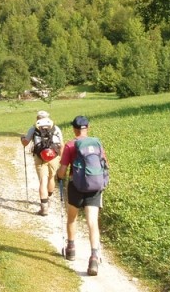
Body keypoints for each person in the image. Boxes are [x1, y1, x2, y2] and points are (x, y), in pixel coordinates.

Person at [57, 115, 107, 276]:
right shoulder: (97, 143)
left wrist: (58, 176)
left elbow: (63, 171)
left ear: (74, 128)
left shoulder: (71, 145)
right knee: (92, 222)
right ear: (88, 127)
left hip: (76, 187)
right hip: (94, 187)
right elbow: (105, 165)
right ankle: (94, 256)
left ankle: (71, 248)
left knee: (72, 218)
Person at [20, 110, 64, 216]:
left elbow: (25, 143)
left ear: (37, 118)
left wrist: (22, 139)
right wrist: (62, 158)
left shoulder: (33, 128)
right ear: (48, 118)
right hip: (54, 156)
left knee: (43, 181)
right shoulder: (55, 127)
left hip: (40, 157)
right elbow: (61, 144)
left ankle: (44, 208)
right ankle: (48, 198)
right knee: (51, 178)